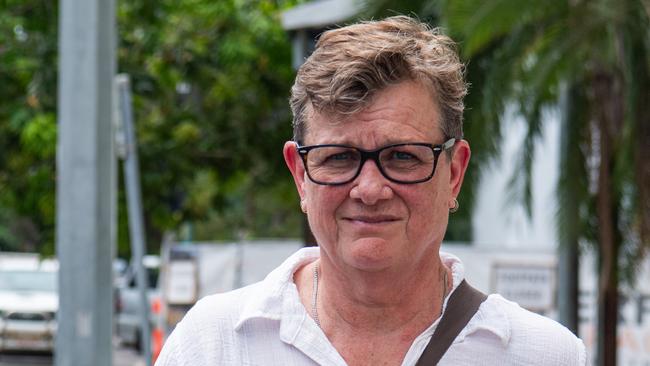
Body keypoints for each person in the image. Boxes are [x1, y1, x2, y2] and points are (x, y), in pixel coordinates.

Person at [155, 16, 586, 365]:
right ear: (301, 174)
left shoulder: (542, 355)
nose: (370, 189)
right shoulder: (213, 346)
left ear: (454, 173)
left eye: (402, 157)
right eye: (339, 158)